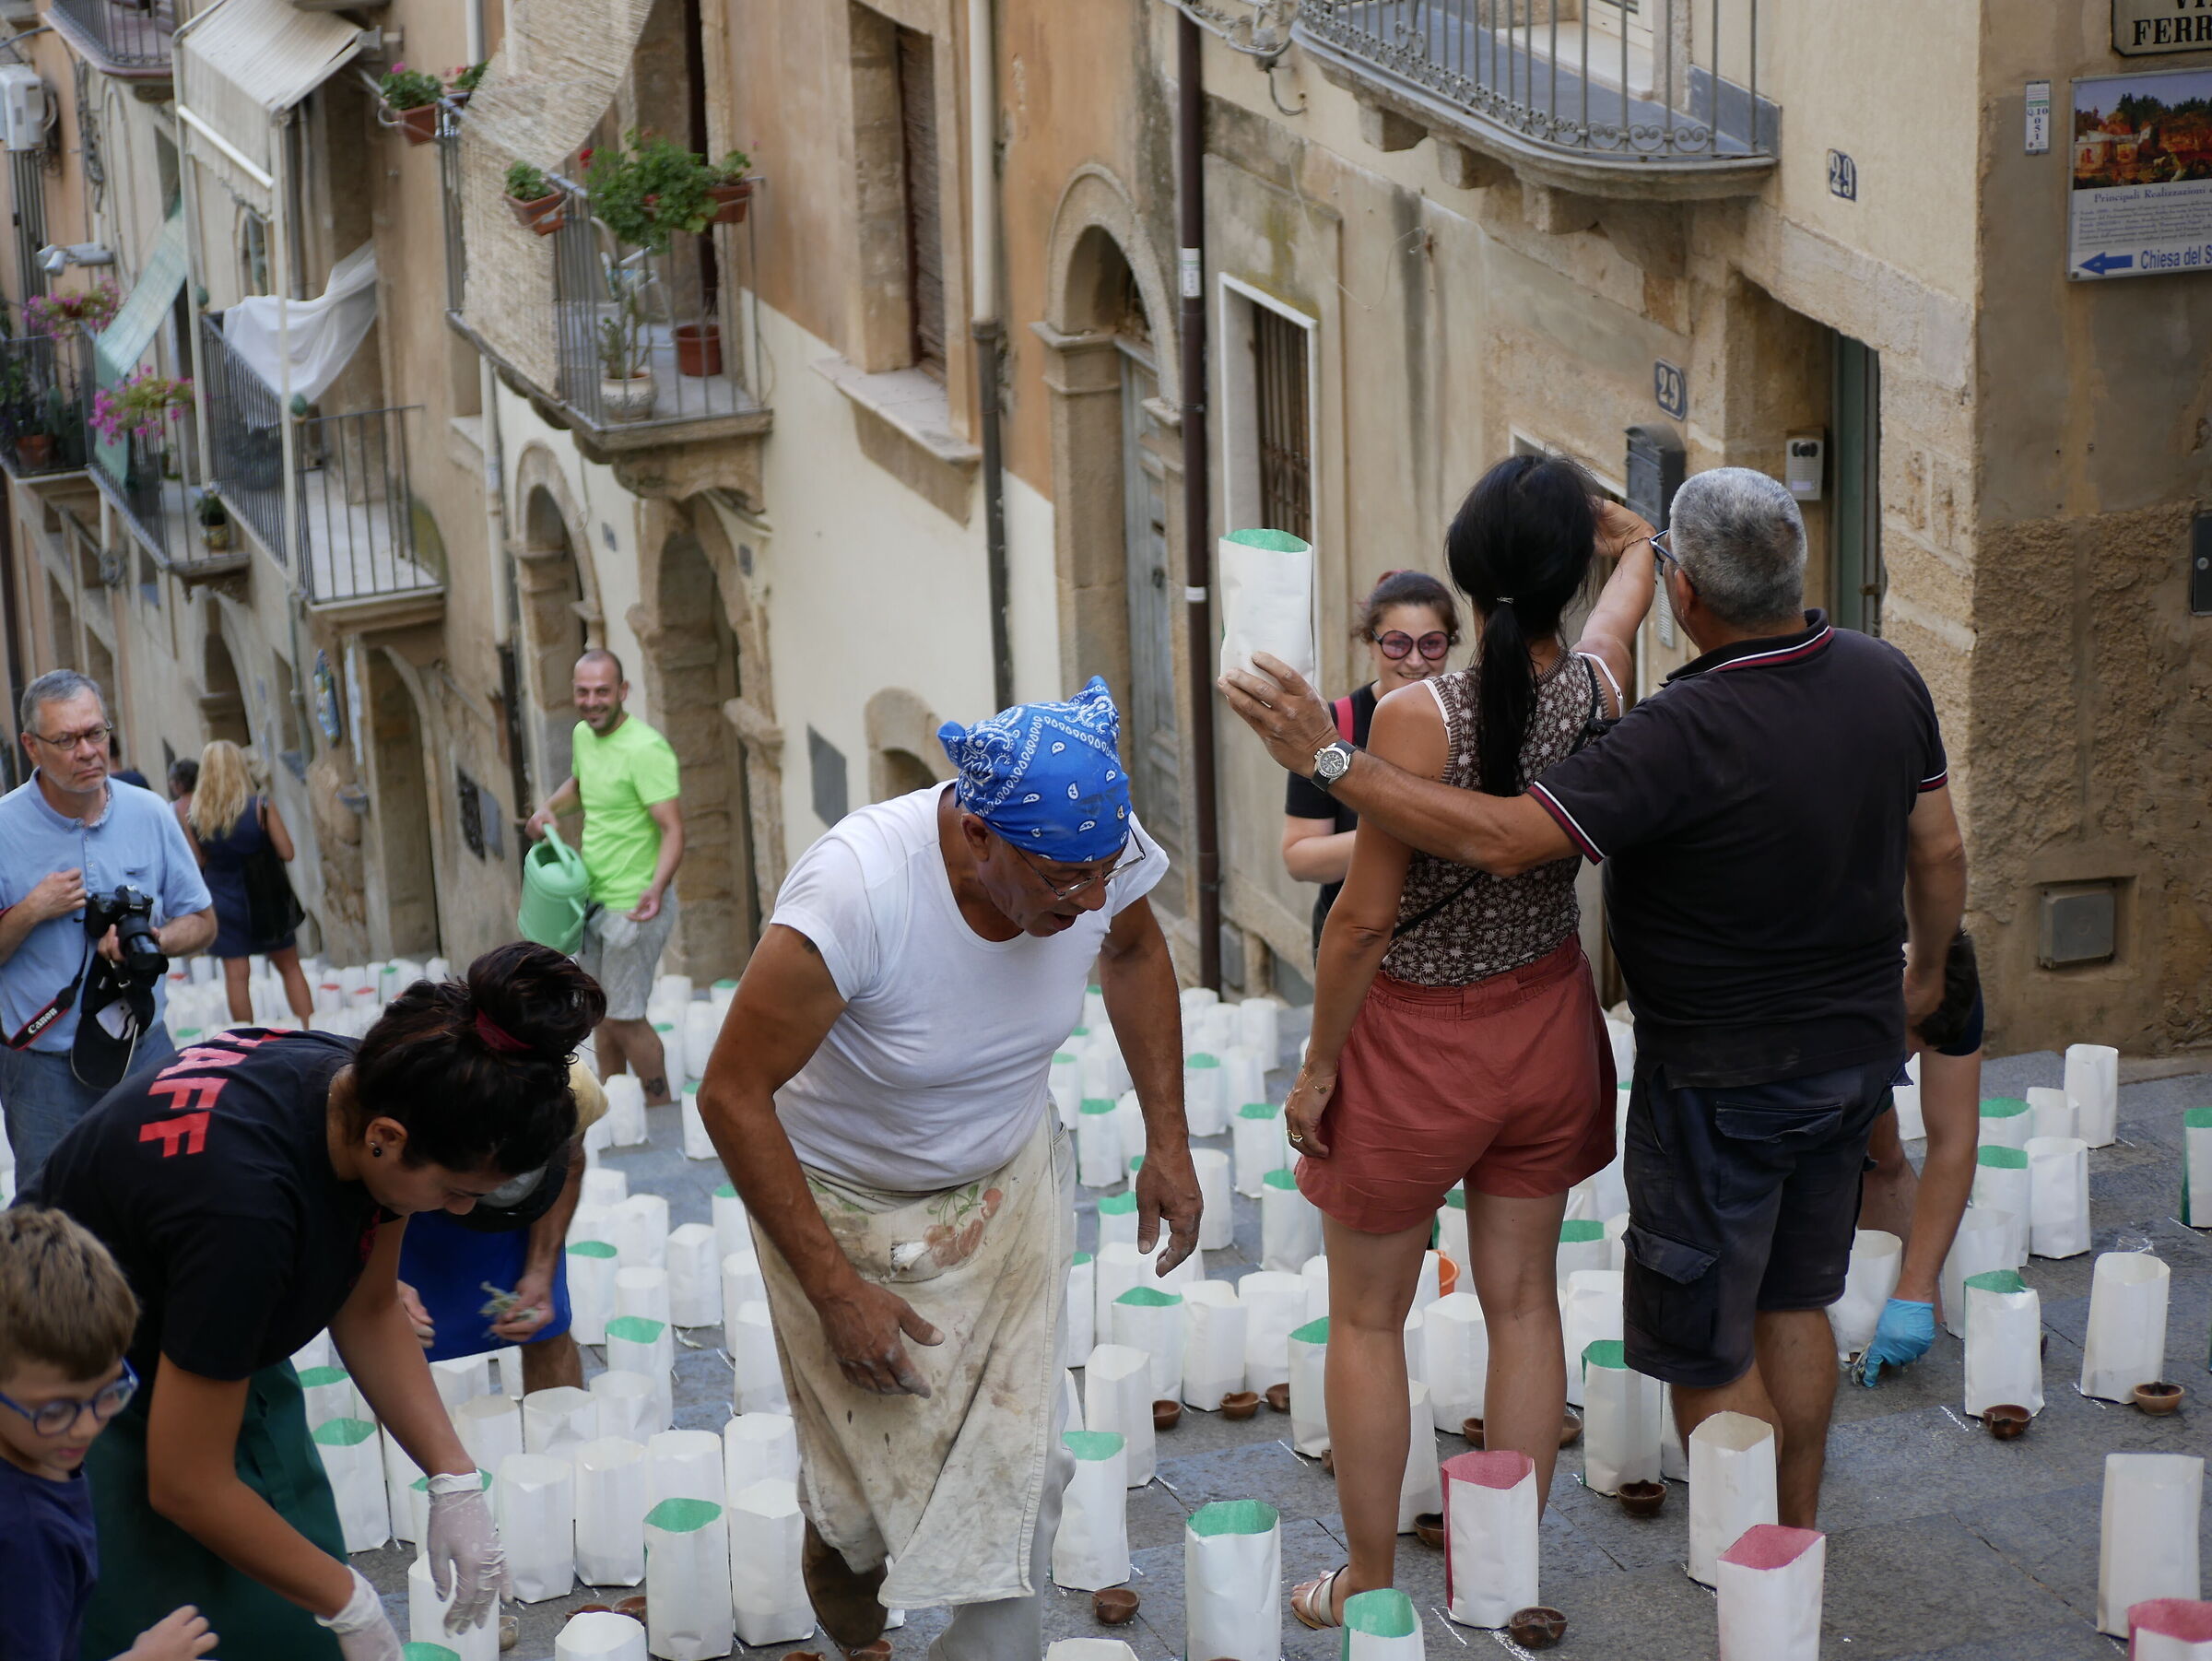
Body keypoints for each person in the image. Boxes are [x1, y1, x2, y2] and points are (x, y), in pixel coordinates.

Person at [1220, 466, 1966, 1530]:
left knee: (1392, 1324)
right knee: (1594, 1301)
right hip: (1601, 1034)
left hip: (1502, 1055)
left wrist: (1323, 759)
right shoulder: (1627, 687)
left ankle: (1389, 1580)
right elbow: (1936, 849)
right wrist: (1926, 974)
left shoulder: (1447, 717)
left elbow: (1400, 896)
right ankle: (1568, 1554)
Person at [698, 677, 1202, 1661]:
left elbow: (1136, 951)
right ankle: (855, 1610)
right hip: (843, 1207)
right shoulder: (857, 891)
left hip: (1008, 1189)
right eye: (1064, 880)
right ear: (978, 836)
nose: (1093, 897)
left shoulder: (1095, 852)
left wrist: (1169, 1139)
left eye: (1104, 871)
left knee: (1029, 1462)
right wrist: (837, 1290)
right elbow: (730, 1093)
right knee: (860, 1504)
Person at [1282, 458, 1654, 1629]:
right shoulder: (1600, 685)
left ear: (1465, 570)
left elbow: (1366, 916)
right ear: (1562, 569)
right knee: (1525, 1304)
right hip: (1546, 1020)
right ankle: (1500, 1567)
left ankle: (1374, 1583)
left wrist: (1319, 1064)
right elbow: (1635, 577)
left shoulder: (1415, 711)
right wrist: (1623, 530)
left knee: (1366, 1320)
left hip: (1413, 1048)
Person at [22, 942, 603, 1660]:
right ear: (387, 1141)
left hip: (216, 1345)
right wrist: (352, 1605)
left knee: (298, 1600)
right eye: (456, 1191)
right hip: (80, 1391)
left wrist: (454, 1478)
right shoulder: (244, 1214)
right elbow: (187, 1482)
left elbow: (368, 1307)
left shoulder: (372, 1087)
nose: (456, 1211)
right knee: (214, 1628)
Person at [0, 671, 217, 1189]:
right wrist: (32, 909)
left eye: (96, 734)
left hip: (143, 1046)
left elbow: (204, 923)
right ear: (32, 747)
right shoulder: (4, 828)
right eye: (67, 740)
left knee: (168, 1195)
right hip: (41, 1066)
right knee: (54, 1213)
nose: (88, 752)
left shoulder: (150, 814)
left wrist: (156, 940)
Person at [0, 1207, 219, 1661]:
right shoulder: (25, 1538)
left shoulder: (35, 1453)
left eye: (107, 1393)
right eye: (55, 1409)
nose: (86, 1426)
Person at [524, 650, 686, 1104]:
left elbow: (674, 829)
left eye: (601, 691)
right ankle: (617, 1111)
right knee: (599, 1012)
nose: (591, 701)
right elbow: (581, 786)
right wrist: (549, 809)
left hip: (635, 906)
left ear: (622, 692)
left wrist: (656, 888)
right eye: (583, 691)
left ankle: (659, 1109)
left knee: (626, 1017)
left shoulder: (646, 748)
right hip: (592, 901)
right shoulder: (583, 735)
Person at [394, 1061, 607, 1392]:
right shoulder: (402, 1093)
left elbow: (571, 1164)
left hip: (520, 1214)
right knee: (395, 1341)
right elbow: (346, 1194)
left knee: (544, 1329)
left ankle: (564, 1439)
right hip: (403, 1203)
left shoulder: (570, 1089)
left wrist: (540, 1269)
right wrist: (383, 1283)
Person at [1281, 571, 1461, 949]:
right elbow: (1300, 858)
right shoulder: (1330, 728)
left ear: (1450, 644)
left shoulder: (1470, 721)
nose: (1415, 661)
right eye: (1397, 644)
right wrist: (1413, 828)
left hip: (1447, 945)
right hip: (1357, 943)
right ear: (1370, 643)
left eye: (1431, 644)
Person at [1855, 928, 1983, 1384]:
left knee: (1880, 1156)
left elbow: (1953, 1143)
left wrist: (1916, 1290)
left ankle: (1915, 1306)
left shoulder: (1952, 981)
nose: (1907, 1059)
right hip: (1768, 1017)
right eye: (1903, 1043)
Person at [181, 740, 313, 1029]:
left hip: (223, 899)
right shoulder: (260, 807)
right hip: (265, 898)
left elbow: (198, 862)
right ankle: (309, 1028)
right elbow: (287, 852)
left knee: (237, 975)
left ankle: (248, 1042)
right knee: (290, 967)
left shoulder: (194, 815)